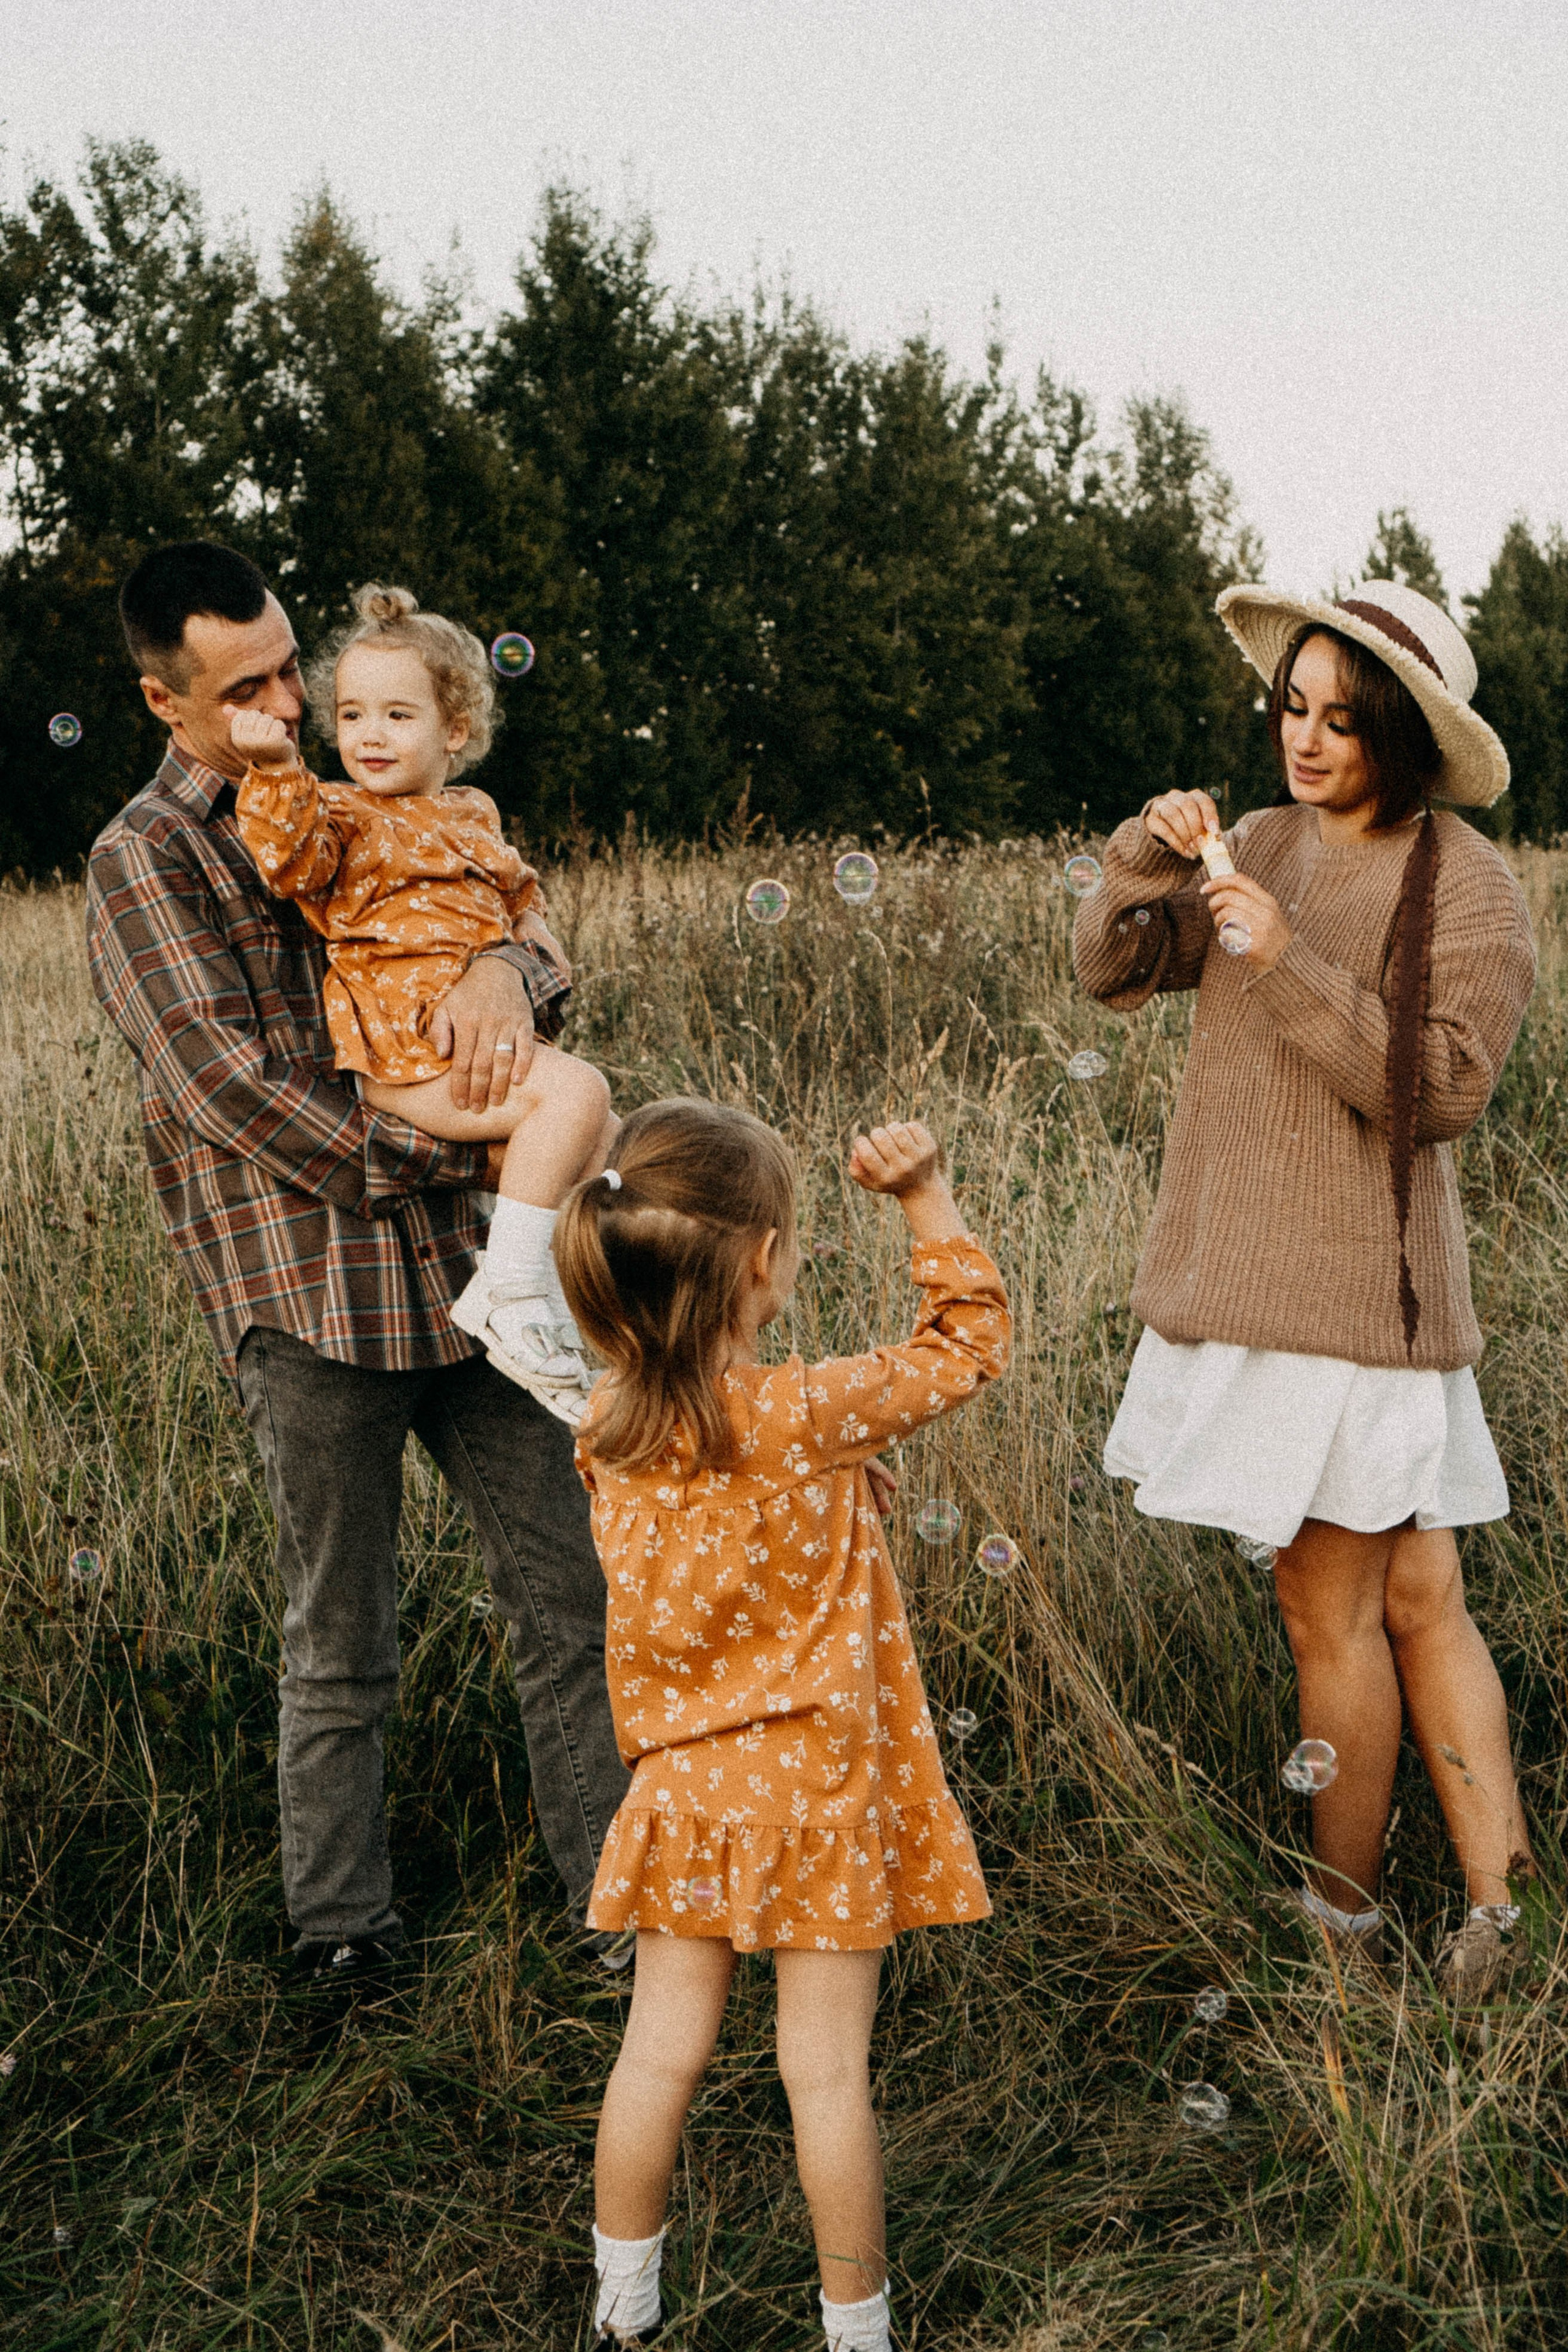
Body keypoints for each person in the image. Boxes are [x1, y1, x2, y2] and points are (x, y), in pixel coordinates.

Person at [86, 540, 629, 1988]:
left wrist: (509, 974)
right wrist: (455, 1149)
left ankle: (614, 1910)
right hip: (304, 1289)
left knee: (568, 1591)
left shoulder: (380, 795)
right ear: (166, 702)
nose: (293, 701)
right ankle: (341, 1934)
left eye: (291, 669)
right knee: (342, 1632)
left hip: (471, 1277)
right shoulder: (148, 857)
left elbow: (516, 922)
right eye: (248, 685)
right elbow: (236, 1092)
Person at [1075, 579, 1536, 2006]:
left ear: (1403, 734)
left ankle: (1339, 1931)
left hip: (1349, 1310)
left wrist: (1283, 964)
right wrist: (1135, 864)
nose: (1306, 739)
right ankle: (1495, 1915)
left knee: (1327, 1615)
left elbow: (1446, 1090)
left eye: (1343, 719)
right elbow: (1111, 972)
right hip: (1247, 1283)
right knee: (1415, 1596)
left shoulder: (1463, 881)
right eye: (1292, 707)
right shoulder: (1256, 838)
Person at [554, 1101, 1009, 2352]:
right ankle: (855, 2334)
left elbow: (705, 1509)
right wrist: (921, 1193)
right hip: (813, 1801)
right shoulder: (805, 1416)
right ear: (759, 1263)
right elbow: (969, 1341)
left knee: (654, 2062)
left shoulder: (603, 1432)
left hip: (681, 1798)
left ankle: (622, 2316)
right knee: (823, 2077)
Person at [232, 581, 611, 1423]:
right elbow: (288, 862)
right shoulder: (336, 813)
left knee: (609, 1153)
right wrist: (273, 767)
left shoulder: (472, 810)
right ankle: (508, 1295)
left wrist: (518, 951)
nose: (370, 734)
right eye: (354, 713)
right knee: (583, 1094)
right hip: (402, 1054)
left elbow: (520, 901)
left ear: (458, 731)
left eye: (399, 716)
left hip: (472, 1047)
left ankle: (571, 1327)